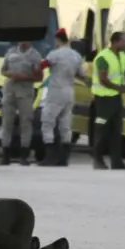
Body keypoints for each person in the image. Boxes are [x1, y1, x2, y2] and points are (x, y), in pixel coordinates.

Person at [92, 31, 125, 170]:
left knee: (116, 132)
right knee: (102, 131)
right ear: (115, 41)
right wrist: (119, 88)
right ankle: (98, 160)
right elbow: (103, 79)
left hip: (116, 99)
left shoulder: (122, 56)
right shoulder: (103, 57)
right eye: (124, 41)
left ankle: (117, 162)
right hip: (104, 99)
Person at [38, 28, 89, 166]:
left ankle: (49, 157)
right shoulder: (76, 56)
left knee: (47, 122)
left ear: (58, 39)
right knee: (65, 125)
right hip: (69, 91)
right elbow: (82, 75)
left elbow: (42, 65)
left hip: (56, 91)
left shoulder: (55, 54)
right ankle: (63, 158)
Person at [0, 41, 43, 166]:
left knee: (26, 122)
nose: (23, 41)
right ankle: (5, 154)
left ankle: (24, 155)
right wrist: (11, 74)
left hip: (25, 92)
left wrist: (24, 77)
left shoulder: (35, 55)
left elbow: (39, 77)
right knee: (7, 122)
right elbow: (3, 70)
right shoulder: (11, 52)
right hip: (9, 90)